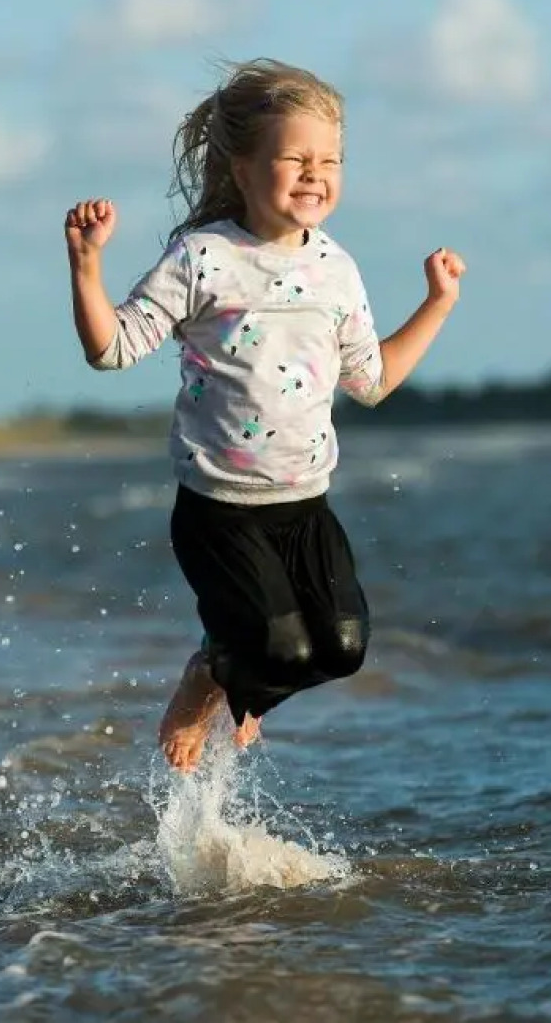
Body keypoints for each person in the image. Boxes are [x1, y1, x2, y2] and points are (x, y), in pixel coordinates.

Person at [63, 58, 466, 772]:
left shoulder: (337, 270)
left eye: (329, 161)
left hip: (305, 506)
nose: (315, 174)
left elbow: (370, 382)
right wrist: (87, 267)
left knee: (342, 649)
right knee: (279, 650)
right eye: (294, 158)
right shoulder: (201, 257)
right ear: (243, 169)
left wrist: (436, 304)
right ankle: (213, 672)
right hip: (219, 510)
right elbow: (111, 350)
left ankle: (238, 673)